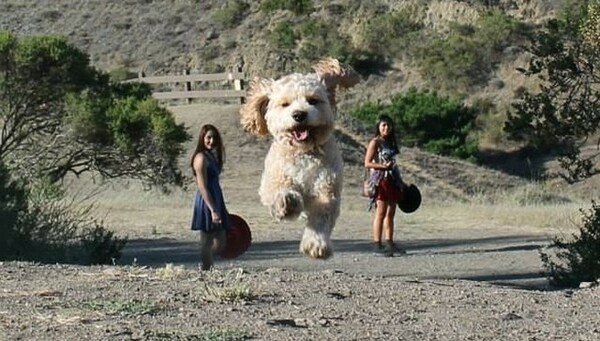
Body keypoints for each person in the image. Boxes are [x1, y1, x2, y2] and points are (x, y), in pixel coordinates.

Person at [364, 114, 406, 257]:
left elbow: (394, 164)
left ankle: (389, 242)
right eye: (383, 125)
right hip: (380, 180)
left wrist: (401, 181)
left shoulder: (391, 143)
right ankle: (377, 244)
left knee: (391, 213)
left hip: (392, 180)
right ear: (378, 127)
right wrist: (383, 166)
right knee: (380, 212)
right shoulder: (375, 142)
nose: (386, 128)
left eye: (388, 125)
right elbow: (367, 163)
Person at [190, 124, 230, 270]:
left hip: (216, 197)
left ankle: (205, 262)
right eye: (208, 137)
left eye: (214, 138)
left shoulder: (210, 156)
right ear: (202, 138)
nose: (211, 141)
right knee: (207, 240)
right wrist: (213, 209)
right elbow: (202, 186)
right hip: (207, 201)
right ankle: (206, 270)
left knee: (221, 241)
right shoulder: (200, 158)